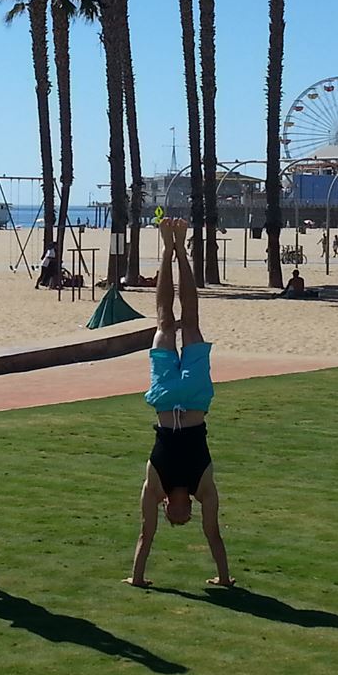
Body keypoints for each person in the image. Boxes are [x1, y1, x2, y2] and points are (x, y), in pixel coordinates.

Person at [128, 218, 233, 589]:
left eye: (180, 516)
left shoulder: (153, 488)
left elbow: (145, 534)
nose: (185, 513)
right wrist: (224, 577)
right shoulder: (202, 488)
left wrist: (137, 578)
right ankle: (181, 248)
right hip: (196, 397)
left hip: (166, 396)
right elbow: (214, 534)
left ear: (166, 509)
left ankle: (167, 249)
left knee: (163, 323)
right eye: (188, 515)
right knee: (190, 321)